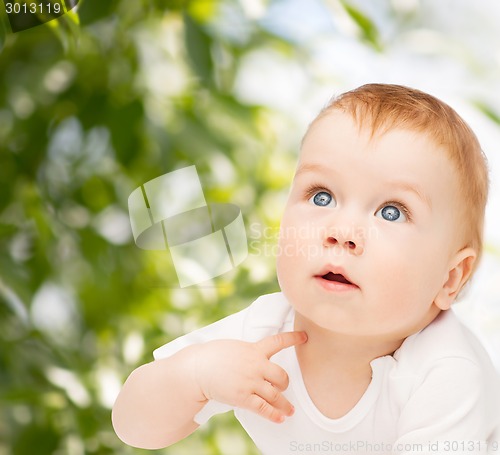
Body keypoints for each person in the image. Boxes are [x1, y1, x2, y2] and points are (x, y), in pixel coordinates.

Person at [112, 84, 500, 454]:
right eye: (322, 196)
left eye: (391, 212)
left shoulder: (446, 371)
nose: (341, 232)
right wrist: (194, 375)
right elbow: (133, 426)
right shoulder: (264, 332)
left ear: (450, 278)